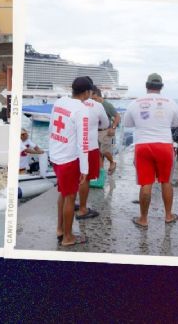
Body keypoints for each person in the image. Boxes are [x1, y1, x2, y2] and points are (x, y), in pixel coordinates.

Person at [124, 73, 178, 227]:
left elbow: (127, 124)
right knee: (166, 181)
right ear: (161, 86)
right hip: (164, 145)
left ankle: (143, 219)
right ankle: (168, 215)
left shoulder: (135, 103)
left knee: (146, 183)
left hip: (143, 145)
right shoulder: (171, 102)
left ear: (146, 85)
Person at [49, 77, 91, 246]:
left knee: (63, 193)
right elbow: (83, 142)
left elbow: (52, 127)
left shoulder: (59, 102)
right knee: (70, 197)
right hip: (69, 160)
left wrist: (52, 152)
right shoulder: (82, 109)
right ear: (87, 92)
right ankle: (68, 237)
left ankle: (60, 229)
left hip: (56, 157)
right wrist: (85, 169)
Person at [77, 81, 109, 220]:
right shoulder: (97, 105)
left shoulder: (70, 104)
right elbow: (106, 123)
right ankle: (83, 209)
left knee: (74, 177)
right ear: (89, 92)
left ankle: (71, 203)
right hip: (89, 146)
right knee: (85, 179)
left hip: (72, 147)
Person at [91, 87, 120, 173]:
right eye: (92, 99)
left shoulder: (107, 105)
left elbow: (117, 116)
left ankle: (112, 162)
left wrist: (113, 128)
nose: (93, 100)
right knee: (98, 153)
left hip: (106, 131)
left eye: (95, 98)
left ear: (100, 97)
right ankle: (101, 172)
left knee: (104, 151)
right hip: (96, 131)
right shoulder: (93, 105)